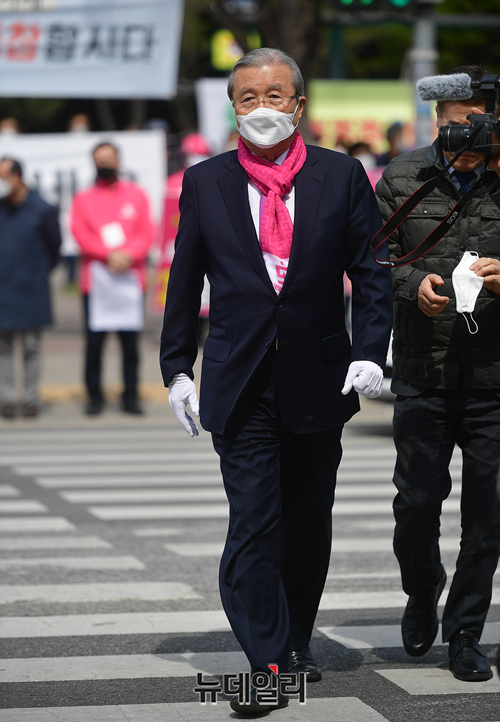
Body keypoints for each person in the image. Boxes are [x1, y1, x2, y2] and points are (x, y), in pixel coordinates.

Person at [160, 48, 392, 715]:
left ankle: (295, 638)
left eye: (274, 95)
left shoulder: (341, 175)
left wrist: (371, 352)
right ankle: (266, 662)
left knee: (307, 522)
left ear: (299, 104)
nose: (262, 108)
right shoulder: (205, 181)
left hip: (320, 377)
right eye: (248, 97)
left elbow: (370, 271)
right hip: (239, 381)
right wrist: (176, 368)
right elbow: (185, 279)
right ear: (234, 107)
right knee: (254, 523)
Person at [376, 65, 500, 683]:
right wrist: (412, 284)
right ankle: (422, 588)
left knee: (488, 517)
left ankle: (466, 633)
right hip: (422, 371)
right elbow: (376, 259)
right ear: (438, 120)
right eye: (460, 123)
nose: (471, 135)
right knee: (417, 504)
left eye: (483, 123)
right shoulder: (403, 177)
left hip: (493, 378)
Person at [70, 142, 154, 416]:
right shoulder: (83, 198)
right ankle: (94, 396)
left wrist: (128, 254)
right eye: (100, 159)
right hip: (96, 282)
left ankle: (130, 396)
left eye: (109, 158)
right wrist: (108, 255)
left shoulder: (136, 194)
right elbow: (80, 233)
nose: (105, 163)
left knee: (130, 344)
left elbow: (146, 232)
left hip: (130, 279)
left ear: (118, 160)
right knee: (94, 343)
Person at [0, 157, 61, 418]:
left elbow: (54, 247)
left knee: (31, 347)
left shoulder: (41, 209)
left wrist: (37, 273)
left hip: (32, 288)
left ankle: (30, 398)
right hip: (3, 288)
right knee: (4, 348)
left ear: (17, 177)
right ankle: (6, 398)